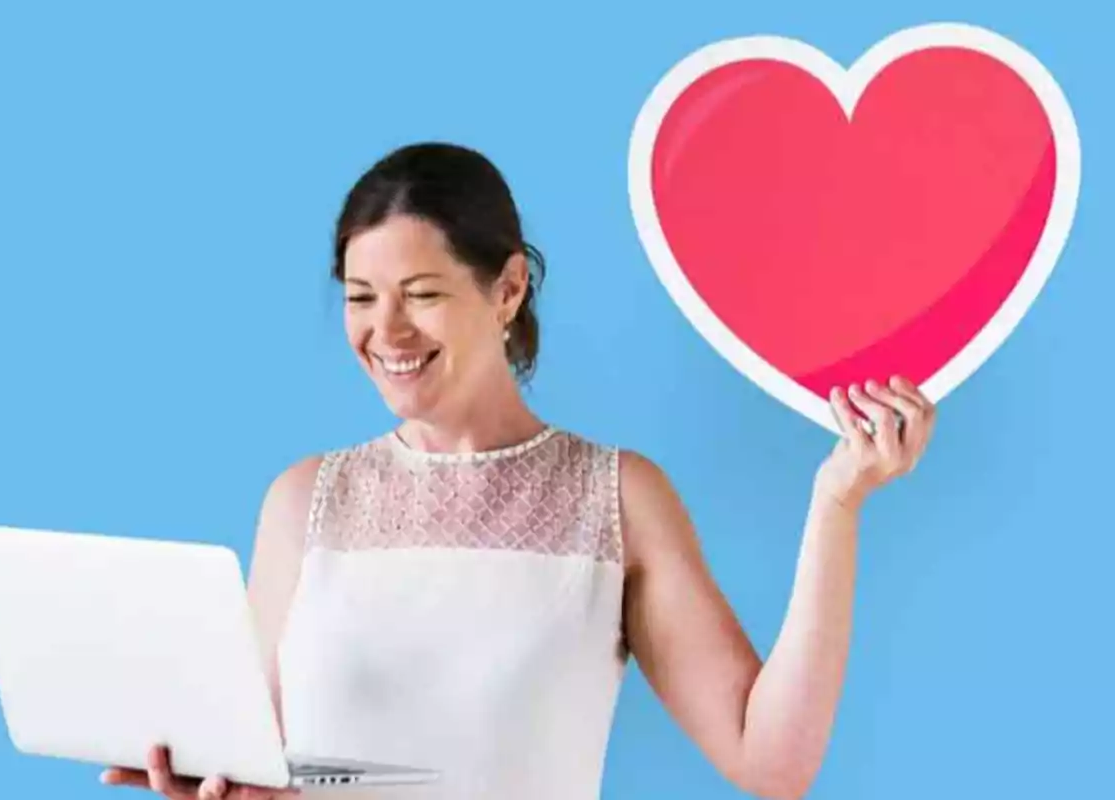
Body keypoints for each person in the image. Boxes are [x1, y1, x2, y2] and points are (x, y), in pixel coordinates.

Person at [99, 142, 936, 800]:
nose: (385, 330)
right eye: (360, 296)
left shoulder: (614, 498)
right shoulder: (304, 502)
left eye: (420, 292)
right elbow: (253, 770)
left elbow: (772, 761)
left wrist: (838, 503)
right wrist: (212, 780)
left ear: (506, 290)